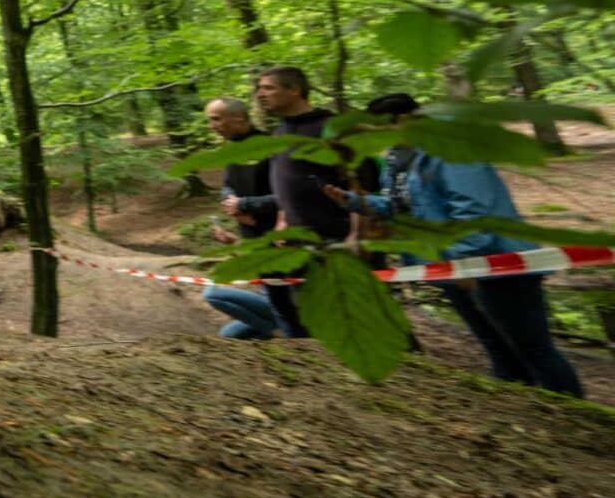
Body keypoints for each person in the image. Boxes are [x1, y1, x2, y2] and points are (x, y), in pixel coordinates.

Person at [332, 95, 583, 397]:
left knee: (532, 347)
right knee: (495, 346)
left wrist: (465, 261)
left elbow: (474, 211)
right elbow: (400, 206)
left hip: (495, 263)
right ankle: (523, 407)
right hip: (449, 267)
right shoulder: (397, 161)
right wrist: (355, 201)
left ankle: (574, 411)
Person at [251, 65, 378, 338]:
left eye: (268, 88)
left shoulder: (333, 129)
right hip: (302, 241)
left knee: (367, 314)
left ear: (294, 90)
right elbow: (283, 185)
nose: (260, 94)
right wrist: (283, 223)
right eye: (259, 89)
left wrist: (358, 235)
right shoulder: (279, 134)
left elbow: (361, 184)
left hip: (339, 237)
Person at [200, 96, 281, 339]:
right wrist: (232, 206)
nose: (212, 126)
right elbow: (228, 186)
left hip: (281, 249)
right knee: (228, 336)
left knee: (213, 294)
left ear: (238, 117)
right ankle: (279, 330)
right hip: (259, 255)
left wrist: (245, 205)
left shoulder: (270, 147)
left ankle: (288, 332)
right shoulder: (231, 149)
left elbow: (289, 196)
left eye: (216, 119)